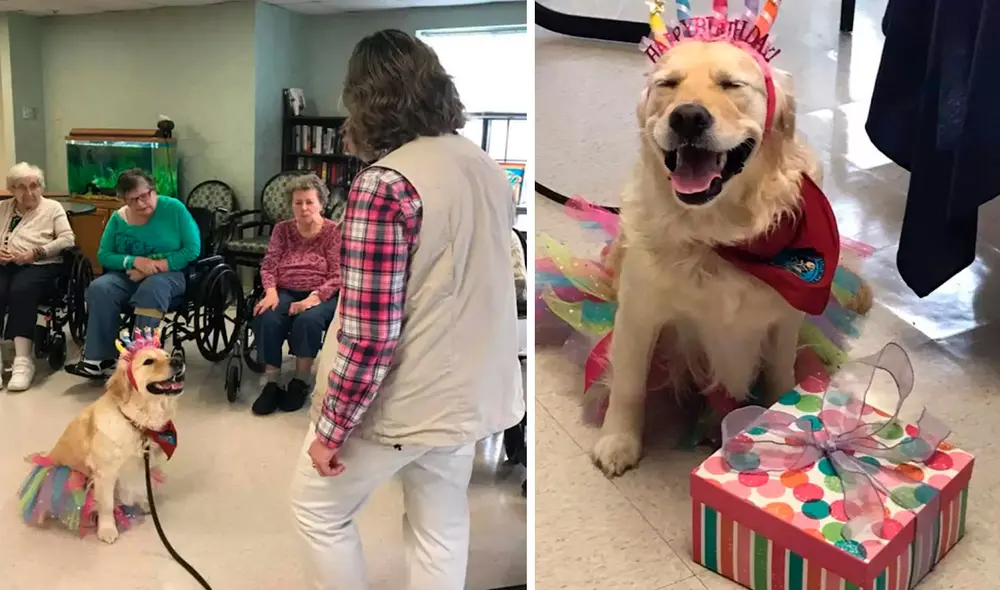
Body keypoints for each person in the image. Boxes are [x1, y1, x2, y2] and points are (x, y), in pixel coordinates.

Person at [289, 29, 524, 590]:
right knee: (440, 523)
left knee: (317, 511)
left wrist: (331, 428)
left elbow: (370, 332)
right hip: (468, 393)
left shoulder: (384, 185)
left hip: (404, 397)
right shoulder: (483, 165)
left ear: (364, 100)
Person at [65, 169, 200, 379]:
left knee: (152, 288)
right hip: (128, 275)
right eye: (133, 200)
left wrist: (155, 266)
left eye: (145, 195)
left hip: (170, 274)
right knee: (100, 288)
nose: (141, 203)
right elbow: (104, 255)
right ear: (124, 201)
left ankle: (140, 359)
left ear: (153, 190)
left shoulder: (174, 209)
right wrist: (135, 261)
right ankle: (99, 358)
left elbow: (192, 249)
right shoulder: (119, 219)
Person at [251, 174, 341, 416]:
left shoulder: (333, 232)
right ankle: (271, 383)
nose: (303, 208)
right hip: (284, 290)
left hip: (320, 293)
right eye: (298, 202)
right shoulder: (282, 229)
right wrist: (271, 292)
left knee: (308, 321)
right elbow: (269, 265)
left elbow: (338, 274)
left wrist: (311, 299)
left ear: (321, 203)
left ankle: (300, 381)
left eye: (309, 202)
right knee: (267, 316)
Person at [0, 163, 75, 390]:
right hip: (5, 265)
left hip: (41, 265)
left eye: (34, 186)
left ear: (41, 187)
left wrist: (37, 252)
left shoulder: (52, 208)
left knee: (21, 291)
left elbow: (67, 238)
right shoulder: (3, 207)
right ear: (12, 189)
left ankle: (23, 360)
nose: (29, 192)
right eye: (21, 187)